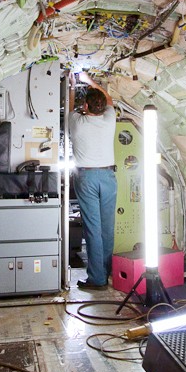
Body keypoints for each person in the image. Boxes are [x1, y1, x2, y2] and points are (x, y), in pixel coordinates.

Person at [69, 71, 117, 289]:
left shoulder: (77, 122)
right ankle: (106, 272)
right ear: (102, 108)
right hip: (108, 176)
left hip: (87, 177)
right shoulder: (110, 119)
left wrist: (72, 86)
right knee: (107, 228)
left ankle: (97, 279)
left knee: (93, 228)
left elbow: (69, 109)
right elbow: (109, 99)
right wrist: (90, 81)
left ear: (86, 107)